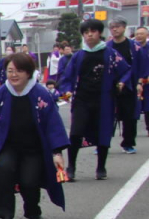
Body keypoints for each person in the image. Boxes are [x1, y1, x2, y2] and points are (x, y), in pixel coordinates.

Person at [0, 53, 68, 219]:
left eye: (19, 71)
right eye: (10, 71)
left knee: (29, 181)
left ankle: (32, 210)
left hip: (33, 148)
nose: (14, 75)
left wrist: (57, 152)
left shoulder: (41, 94)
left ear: (29, 73)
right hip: (8, 147)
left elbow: (53, 124)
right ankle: (6, 215)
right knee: (3, 172)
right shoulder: (0, 94)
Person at [56, 19, 132, 181]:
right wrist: (67, 91)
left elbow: (126, 70)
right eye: (86, 32)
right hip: (82, 99)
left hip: (104, 99)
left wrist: (121, 82)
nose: (89, 34)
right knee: (76, 132)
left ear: (99, 33)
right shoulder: (78, 56)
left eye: (93, 31)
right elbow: (67, 77)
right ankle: (71, 166)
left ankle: (101, 166)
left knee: (103, 132)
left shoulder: (110, 53)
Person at [107, 17, 139, 154]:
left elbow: (137, 66)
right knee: (106, 115)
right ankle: (102, 143)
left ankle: (128, 143)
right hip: (110, 85)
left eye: (117, 26)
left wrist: (136, 82)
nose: (115, 29)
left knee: (129, 116)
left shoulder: (133, 46)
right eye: (112, 27)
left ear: (124, 28)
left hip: (129, 85)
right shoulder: (107, 46)